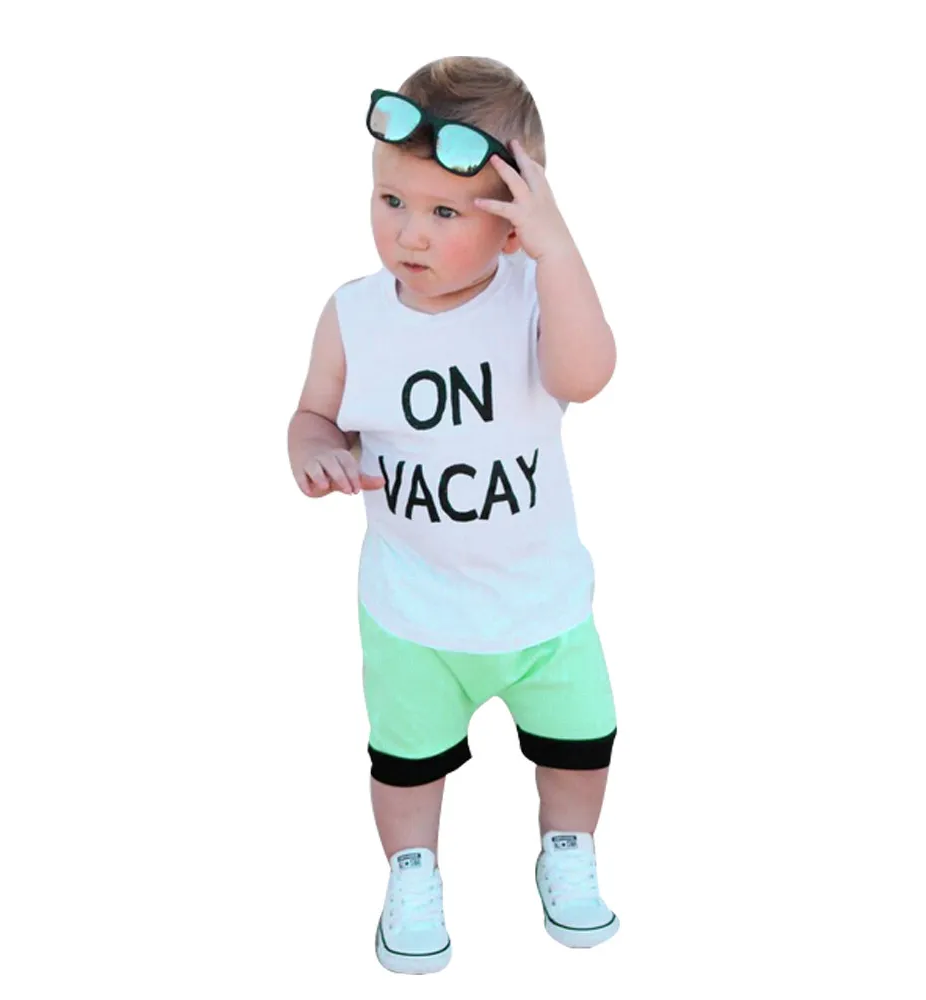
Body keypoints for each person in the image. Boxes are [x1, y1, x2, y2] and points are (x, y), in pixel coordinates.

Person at [287, 56, 620, 975]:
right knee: (405, 764)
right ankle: (412, 870)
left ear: (513, 225)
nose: (409, 233)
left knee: (581, 746)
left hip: (542, 607)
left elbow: (587, 374)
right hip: (413, 610)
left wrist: (558, 251)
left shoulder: (535, 297)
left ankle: (568, 852)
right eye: (392, 200)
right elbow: (313, 412)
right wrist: (315, 449)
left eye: (445, 213)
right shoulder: (354, 316)